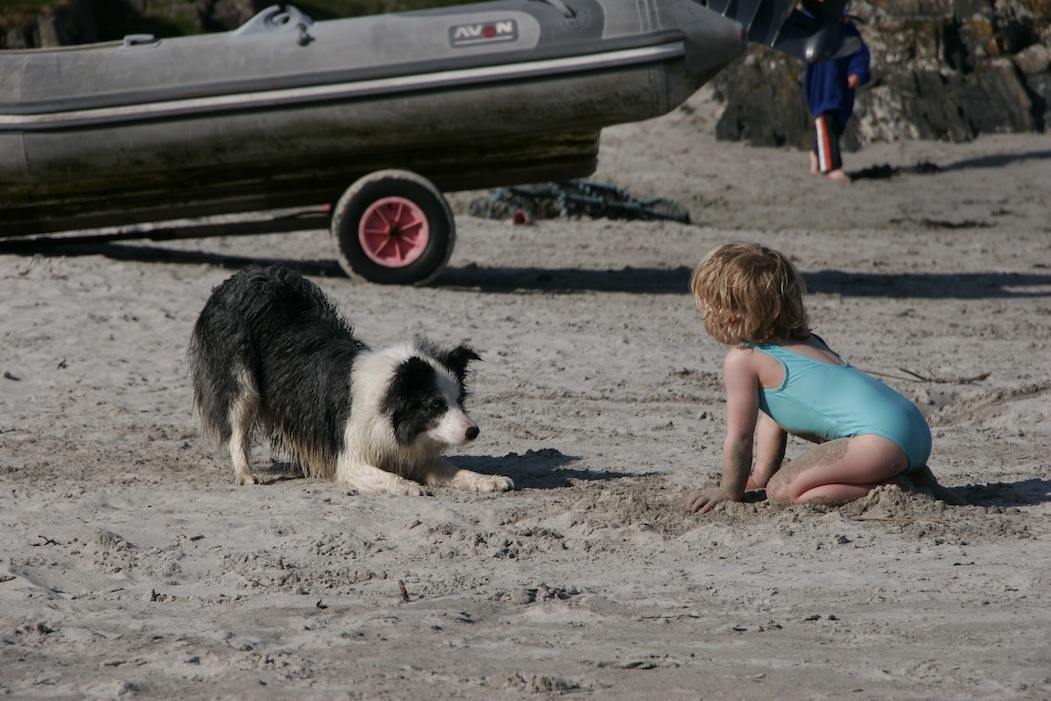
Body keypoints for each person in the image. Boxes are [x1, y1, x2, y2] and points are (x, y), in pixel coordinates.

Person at [685, 243, 959, 514]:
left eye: (707, 310)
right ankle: (912, 476)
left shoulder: (743, 359)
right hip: (913, 429)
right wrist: (759, 476)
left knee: (782, 491)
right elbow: (775, 417)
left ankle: (894, 487)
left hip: (879, 443)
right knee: (773, 484)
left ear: (731, 315)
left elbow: (739, 438)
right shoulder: (808, 341)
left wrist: (728, 491)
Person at [804, 16, 870, 183]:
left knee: (836, 126)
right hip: (821, 88)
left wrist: (857, 73)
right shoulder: (814, 24)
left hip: (841, 88)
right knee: (826, 123)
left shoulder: (847, 29)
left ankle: (817, 154)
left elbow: (860, 53)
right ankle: (832, 167)